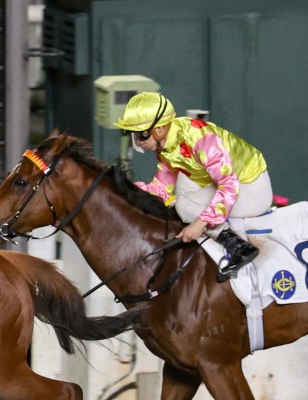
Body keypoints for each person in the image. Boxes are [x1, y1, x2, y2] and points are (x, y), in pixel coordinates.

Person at [114, 92, 270, 278]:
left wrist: (199, 224)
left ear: (160, 130)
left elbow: (228, 186)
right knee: (181, 201)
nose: (139, 142)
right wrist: (127, 192)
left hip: (251, 187)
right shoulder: (165, 147)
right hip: (221, 184)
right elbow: (161, 189)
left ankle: (240, 247)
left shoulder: (201, 139)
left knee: (185, 205)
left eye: (141, 135)